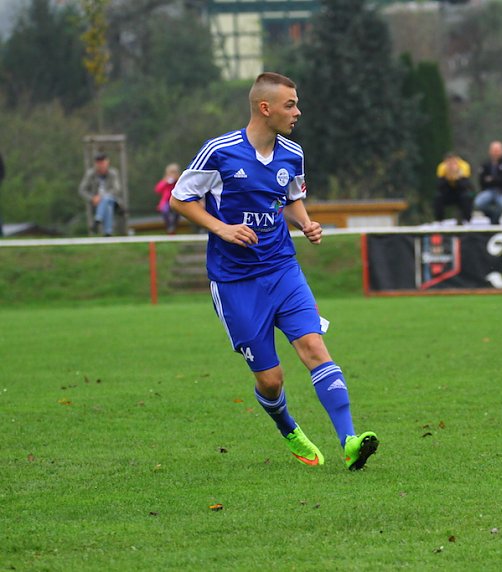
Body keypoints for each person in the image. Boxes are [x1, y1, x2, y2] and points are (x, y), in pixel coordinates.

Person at [170, 72, 378, 470]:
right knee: (271, 380)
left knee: (315, 348)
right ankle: (287, 426)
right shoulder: (219, 152)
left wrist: (306, 222)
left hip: (283, 268)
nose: (297, 112)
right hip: (235, 282)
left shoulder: (292, 154)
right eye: (290, 105)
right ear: (265, 108)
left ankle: (350, 440)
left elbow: (289, 197)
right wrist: (222, 228)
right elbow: (181, 200)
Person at [78, 152, 122, 236]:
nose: (100, 165)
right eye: (98, 162)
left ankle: (98, 219)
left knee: (107, 199)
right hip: (96, 203)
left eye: (102, 162)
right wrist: (92, 198)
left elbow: (117, 189)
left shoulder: (113, 173)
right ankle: (108, 233)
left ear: (107, 162)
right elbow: (82, 190)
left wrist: (101, 197)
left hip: (113, 200)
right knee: (108, 205)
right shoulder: (90, 174)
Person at [474, 141, 502, 224]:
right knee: (478, 202)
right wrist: (497, 179)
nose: (496, 152)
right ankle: (493, 217)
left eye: (497, 150)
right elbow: (482, 181)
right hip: (488, 191)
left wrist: (492, 179)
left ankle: (494, 222)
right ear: (490, 151)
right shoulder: (485, 164)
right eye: (494, 150)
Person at [434, 152, 473, 224]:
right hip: (448, 192)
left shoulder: (464, 166)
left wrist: (457, 177)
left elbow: (466, 185)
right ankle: (439, 221)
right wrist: (447, 177)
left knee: (466, 196)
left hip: (460, 192)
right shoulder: (442, 167)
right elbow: (439, 186)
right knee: (438, 197)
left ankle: (467, 220)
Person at [154, 163, 181, 234]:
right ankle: (169, 227)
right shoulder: (164, 181)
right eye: (171, 172)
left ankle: (173, 227)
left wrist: (177, 181)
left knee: (177, 212)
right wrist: (165, 182)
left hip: (176, 201)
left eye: (174, 172)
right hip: (166, 202)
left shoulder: (180, 181)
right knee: (165, 211)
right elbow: (157, 190)